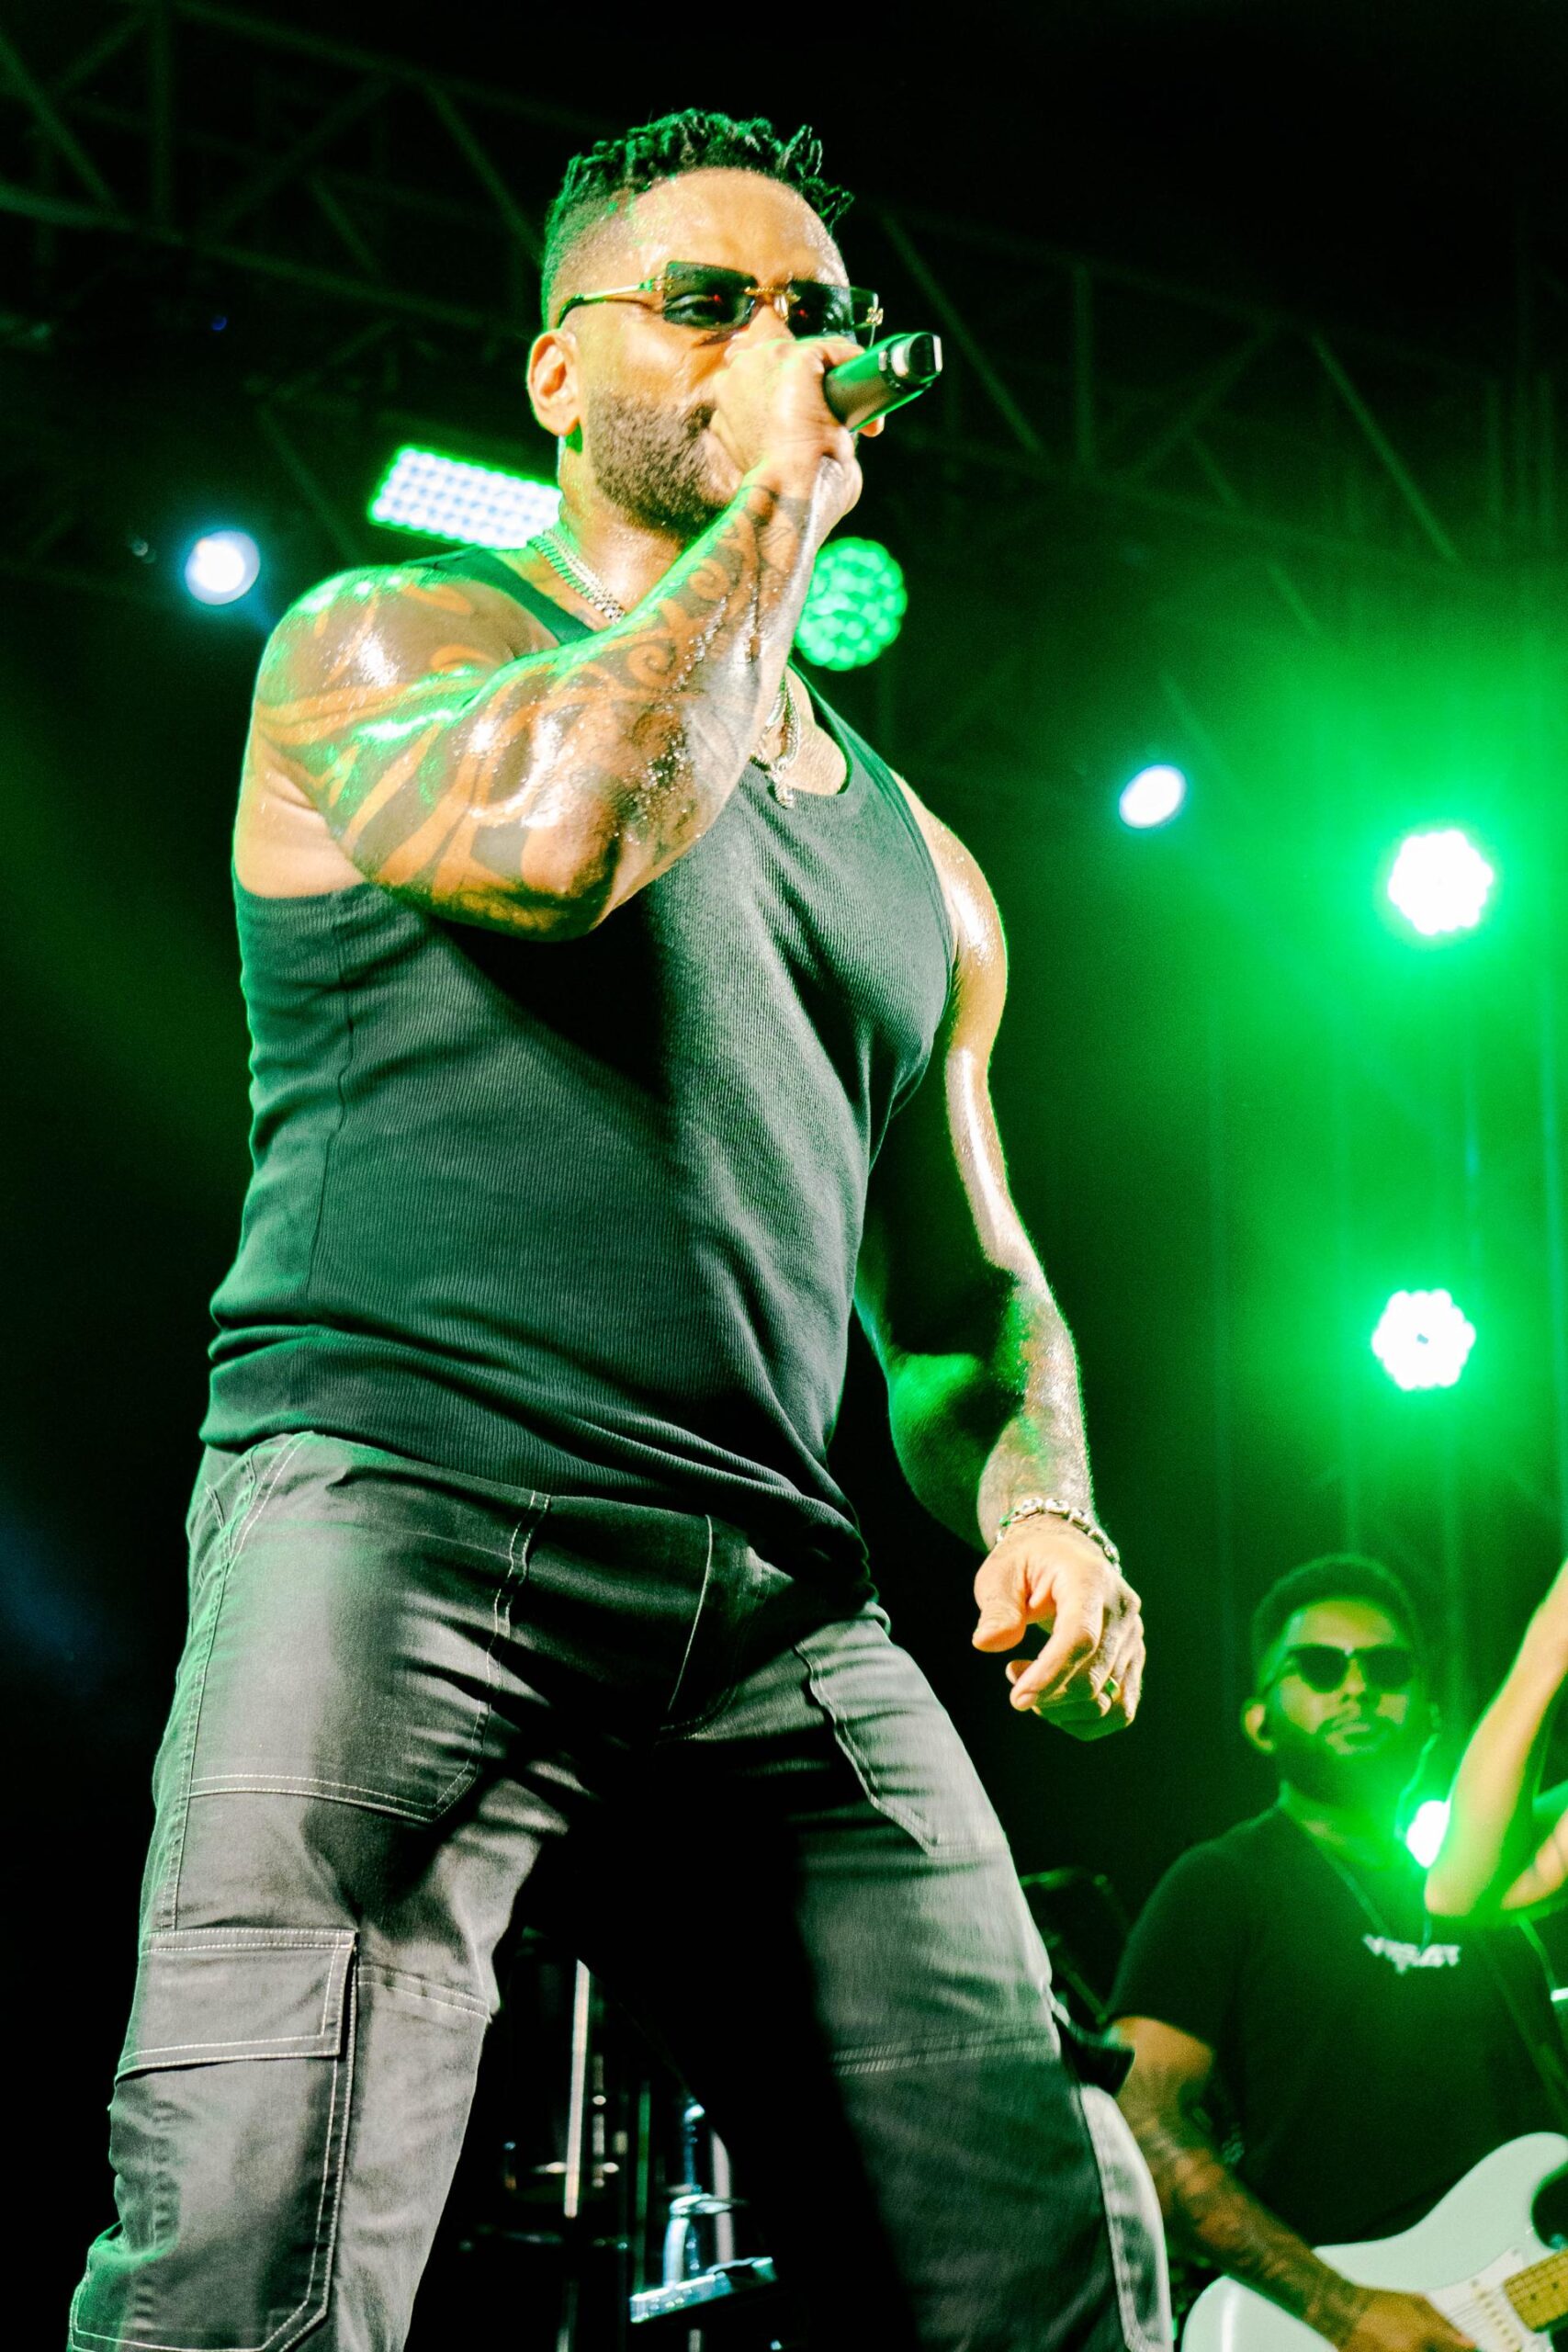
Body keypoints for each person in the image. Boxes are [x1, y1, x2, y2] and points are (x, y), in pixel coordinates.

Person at [69, 110, 1165, 2352]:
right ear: (557, 374)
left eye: (810, 318)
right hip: (402, 1517)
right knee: (255, 2261)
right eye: (703, 305)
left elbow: (967, 1297)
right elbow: (562, 841)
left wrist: (1044, 1503)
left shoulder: (929, 867)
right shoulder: (384, 635)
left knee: (1047, 2244)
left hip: (773, 1611)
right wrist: (768, 509)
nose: (772, 347)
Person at [1111, 1555, 1563, 2352]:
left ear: (1430, 1712)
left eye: (1386, 1669)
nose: (1356, 1688)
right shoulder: (1222, 1881)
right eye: (1320, 1667)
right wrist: (1342, 2310)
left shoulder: (1496, 1902)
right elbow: (1138, 2113)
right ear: (1259, 1719)